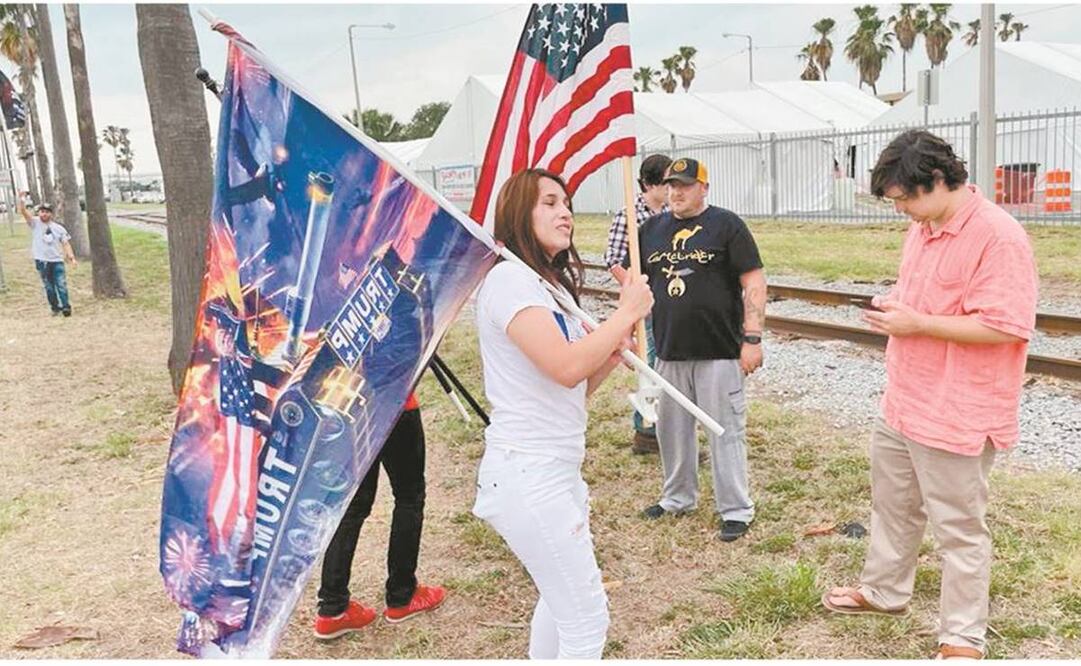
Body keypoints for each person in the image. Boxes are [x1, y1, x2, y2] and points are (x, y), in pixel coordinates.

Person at [822, 130, 1038, 660]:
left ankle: (962, 637)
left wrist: (917, 323)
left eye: (904, 199)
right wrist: (895, 305)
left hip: (958, 408)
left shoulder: (999, 237)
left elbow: (1006, 327)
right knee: (893, 505)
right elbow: (921, 296)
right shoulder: (923, 226)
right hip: (905, 396)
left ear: (938, 180)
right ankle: (884, 591)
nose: (902, 211)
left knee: (959, 528)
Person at [472, 168, 653, 659]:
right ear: (518, 214)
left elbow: (567, 386)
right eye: (549, 203)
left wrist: (610, 355)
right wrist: (625, 312)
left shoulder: (544, 285)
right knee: (587, 620)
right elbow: (566, 365)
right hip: (528, 471)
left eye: (567, 203)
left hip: (555, 467)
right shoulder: (510, 280)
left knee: (560, 602)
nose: (565, 212)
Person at [630, 157, 767, 543]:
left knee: (725, 431)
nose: (676, 192)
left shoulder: (727, 225)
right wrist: (628, 330)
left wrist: (752, 338)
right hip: (668, 352)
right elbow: (635, 284)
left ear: (703, 188)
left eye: (686, 185)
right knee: (671, 432)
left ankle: (736, 509)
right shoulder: (650, 231)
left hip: (719, 351)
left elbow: (754, 281)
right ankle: (677, 498)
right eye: (671, 185)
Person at [313, 394, 446, 639]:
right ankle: (403, 595)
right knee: (409, 496)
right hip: (394, 401)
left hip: (344, 406)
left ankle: (332, 607)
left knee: (351, 507)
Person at [604, 154, 671, 455]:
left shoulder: (672, 212)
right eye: (667, 181)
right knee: (650, 362)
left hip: (671, 298)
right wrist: (637, 289)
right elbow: (613, 259)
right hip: (646, 301)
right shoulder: (629, 215)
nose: (672, 187)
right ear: (650, 183)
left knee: (668, 363)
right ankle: (646, 431)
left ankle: (664, 426)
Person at [19, 196, 75, 316]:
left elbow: (66, 243)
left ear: (51, 214)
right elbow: (23, 212)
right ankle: (55, 308)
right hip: (42, 261)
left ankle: (66, 307)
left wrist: (71, 257)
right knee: (49, 286)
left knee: (61, 284)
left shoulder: (59, 228)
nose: (44, 214)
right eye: (42, 211)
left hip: (57, 260)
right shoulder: (35, 223)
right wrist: (22, 200)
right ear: (39, 213)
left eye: (47, 212)